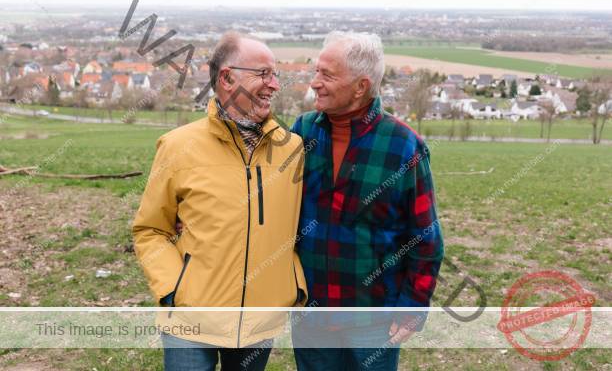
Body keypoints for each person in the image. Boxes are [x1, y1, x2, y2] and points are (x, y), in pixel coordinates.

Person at [133, 31, 307, 371]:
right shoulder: (177, 146)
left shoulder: (293, 150)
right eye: (263, 74)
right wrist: (174, 289)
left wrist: (292, 285)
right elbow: (150, 229)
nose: (274, 84)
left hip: (260, 323)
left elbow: (300, 228)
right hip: (190, 321)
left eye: (276, 75)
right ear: (227, 78)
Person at [290, 31, 444, 370]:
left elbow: (427, 239)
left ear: (361, 86)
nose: (315, 82)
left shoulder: (404, 145)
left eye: (327, 75)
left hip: (373, 323)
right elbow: (266, 196)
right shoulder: (302, 131)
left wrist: (412, 307)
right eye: (316, 71)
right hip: (310, 318)